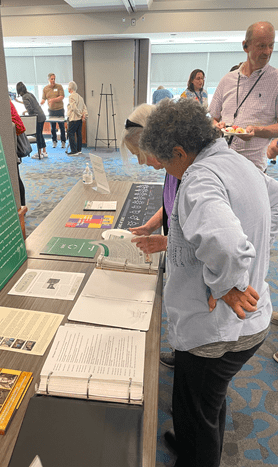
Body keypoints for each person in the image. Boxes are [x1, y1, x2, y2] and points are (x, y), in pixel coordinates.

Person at [139, 97, 278, 467]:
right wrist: (259, 247)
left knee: (199, 405)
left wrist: (227, 285)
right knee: (202, 399)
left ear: (181, 152)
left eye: (166, 162)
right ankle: (190, 442)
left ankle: (197, 454)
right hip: (249, 319)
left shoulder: (199, 177)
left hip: (216, 332)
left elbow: (227, 245)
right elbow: (272, 202)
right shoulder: (235, 162)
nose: (168, 171)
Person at [120, 103, 180, 368]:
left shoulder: (185, 169)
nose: (142, 163)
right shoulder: (171, 168)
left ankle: (187, 354)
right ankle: (181, 351)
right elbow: (170, 204)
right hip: (178, 250)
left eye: (141, 156)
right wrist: (151, 226)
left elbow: (206, 237)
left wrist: (166, 241)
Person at [209, 21, 278, 172]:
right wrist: (216, 125)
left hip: (253, 169)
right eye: (261, 46)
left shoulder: (276, 80)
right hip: (221, 162)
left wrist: (257, 130)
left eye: (271, 45)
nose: (267, 52)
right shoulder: (227, 80)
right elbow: (213, 117)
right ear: (245, 46)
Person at [15, 82, 48, 159]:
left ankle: (39, 153)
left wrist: (27, 114)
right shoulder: (30, 94)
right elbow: (34, 105)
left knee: (38, 135)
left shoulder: (24, 97)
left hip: (37, 118)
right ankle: (44, 152)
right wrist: (19, 102)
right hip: (42, 115)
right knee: (40, 133)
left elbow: (30, 109)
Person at [10, 99, 28, 206]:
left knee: (16, 178)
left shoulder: (3, 103)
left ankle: (21, 206)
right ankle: (21, 205)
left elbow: (16, 126)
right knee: (16, 177)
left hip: (12, 146)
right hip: (12, 144)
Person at [41, 73, 66, 148]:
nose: (53, 80)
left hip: (60, 110)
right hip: (51, 111)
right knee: (53, 127)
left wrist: (53, 100)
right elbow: (44, 98)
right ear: (48, 79)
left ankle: (63, 141)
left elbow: (62, 97)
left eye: (54, 79)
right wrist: (41, 102)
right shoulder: (45, 88)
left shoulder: (59, 87)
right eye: (52, 79)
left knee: (62, 127)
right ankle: (54, 141)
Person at [66, 81, 88, 156]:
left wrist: (79, 114)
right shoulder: (80, 97)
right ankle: (79, 150)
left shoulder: (71, 96)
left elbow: (74, 108)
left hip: (74, 118)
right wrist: (84, 115)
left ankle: (74, 151)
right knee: (79, 134)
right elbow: (84, 108)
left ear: (70, 88)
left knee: (71, 133)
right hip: (79, 120)